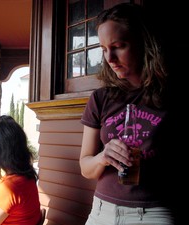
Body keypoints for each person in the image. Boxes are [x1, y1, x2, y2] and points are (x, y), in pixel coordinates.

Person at [79, 3, 176, 225]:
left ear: (144, 43)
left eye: (118, 46)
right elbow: (86, 167)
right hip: (101, 210)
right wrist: (103, 157)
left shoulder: (170, 96)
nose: (109, 58)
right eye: (104, 49)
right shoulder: (101, 98)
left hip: (153, 212)